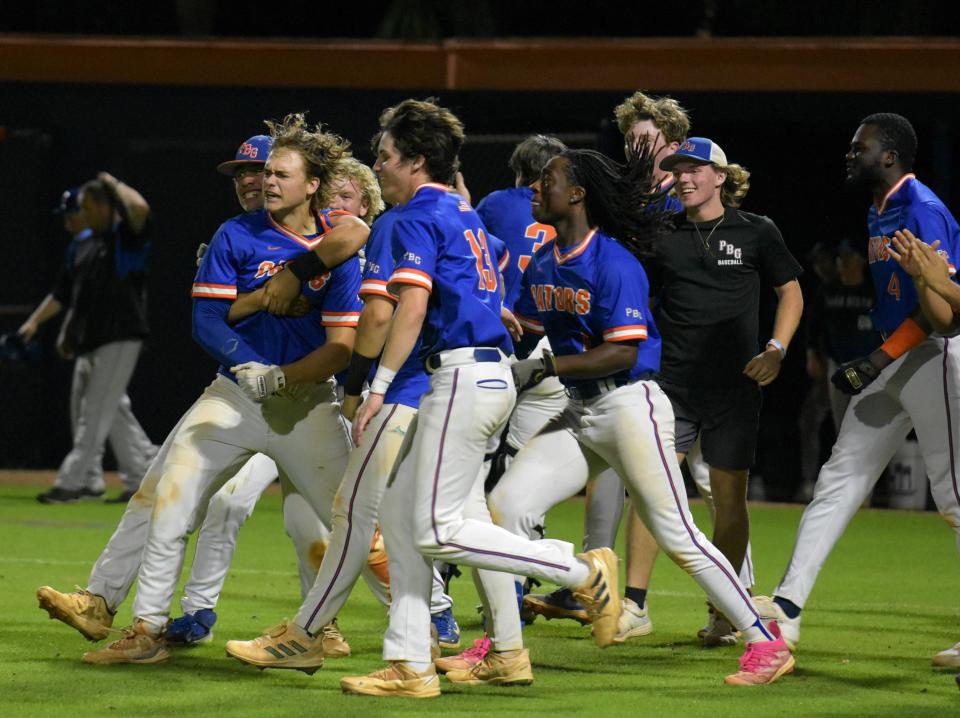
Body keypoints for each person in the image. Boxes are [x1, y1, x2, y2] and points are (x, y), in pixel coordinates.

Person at [36, 113, 370, 665]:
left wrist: (288, 289)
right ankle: (147, 627)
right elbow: (208, 320)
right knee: (170, 494)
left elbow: (346, 296)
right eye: (245, 174)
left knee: (353, 516)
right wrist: (252, 345)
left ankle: (421, 615)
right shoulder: (234, 234)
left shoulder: (337, 234)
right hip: (237, 393)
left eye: (267, 171)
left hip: (308, 400)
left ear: (310, 182)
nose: (256, 182)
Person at [165, 141, 389, 649]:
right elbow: (220, 316)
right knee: (231, 501)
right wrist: (268, 291)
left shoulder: (367, 248)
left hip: (339, 396)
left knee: (347, 517)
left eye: (350, 197)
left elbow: (353, 344)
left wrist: (287, 279)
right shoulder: (267, 241)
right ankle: (202, 610)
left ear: (365, 206)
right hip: (267, 397)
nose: (340, 205)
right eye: (336, 196)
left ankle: (430, 610)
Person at [762, 114, 960, 665]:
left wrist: (876, 359)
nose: (850, 155)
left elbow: (943, 310)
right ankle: (788, 607)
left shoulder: (922, 209)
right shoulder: (879, 208)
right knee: (839, 478)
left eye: (860, 148)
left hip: (935, 358)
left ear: (890, 156)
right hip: (895, 356)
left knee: (954, 497)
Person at [637, 136, 803, 645]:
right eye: (677, 171)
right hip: (674, 386)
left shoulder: (757, 231)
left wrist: (776, 347)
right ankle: (632, 603)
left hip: (735, 388)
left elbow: (790, 293)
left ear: (721, 177)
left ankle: (724, 610)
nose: (684, 178)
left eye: (694, 170)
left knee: (730, 501)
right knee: (651, 490)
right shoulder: (662, 235)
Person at [21, 177, 158, 504]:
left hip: (120, 335)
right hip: (90, 339)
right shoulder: (82, 245)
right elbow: (69, 295)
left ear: (101, 207)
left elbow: (138, 207)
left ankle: (75, 481)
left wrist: (111, 183)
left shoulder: (124, 237)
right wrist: (50, 326)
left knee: (94, 412)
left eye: (83, 208)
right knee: (110, 412)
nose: (77, 215)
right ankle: (143, 474)